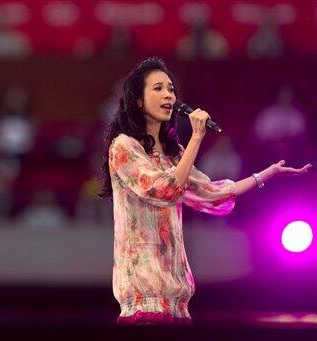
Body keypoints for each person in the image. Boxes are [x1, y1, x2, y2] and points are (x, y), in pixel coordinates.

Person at [100, 57, 312, 325]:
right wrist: (197, 137)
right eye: (158, 88)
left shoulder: (173, 154)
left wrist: (265, 174)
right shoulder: (124, 147)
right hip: (143, 299)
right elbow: (165, 190)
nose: (168, 94)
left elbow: (211, 194)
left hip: (178, 301)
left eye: (171, 88)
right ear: (138, 101)